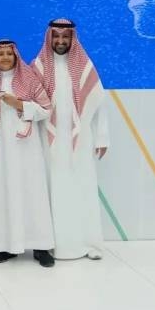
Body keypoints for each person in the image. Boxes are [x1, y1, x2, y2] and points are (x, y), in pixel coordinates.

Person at [32, 19, 110, 260]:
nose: (60, 41)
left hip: (81, 140)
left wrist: (102, 137)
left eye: (65, 37)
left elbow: (99, 103)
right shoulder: (38, 67)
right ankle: (50, 244)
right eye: (56, 36)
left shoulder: (85, 66)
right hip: (48, 141)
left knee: (81, 187)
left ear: (72, 39)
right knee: (53, 189)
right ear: (50, 38)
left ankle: (87, 243)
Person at [0, 39, 54, 266]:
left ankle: (41, 247)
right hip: (0, 147)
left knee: (33, 193)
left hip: (27, 146)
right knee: (3, 193)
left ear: (15, 56)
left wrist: (18, 104)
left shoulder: (29, 78)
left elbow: (46, 109)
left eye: (9, 53)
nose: (5, 58)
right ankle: (6, 246)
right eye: (0, 54)